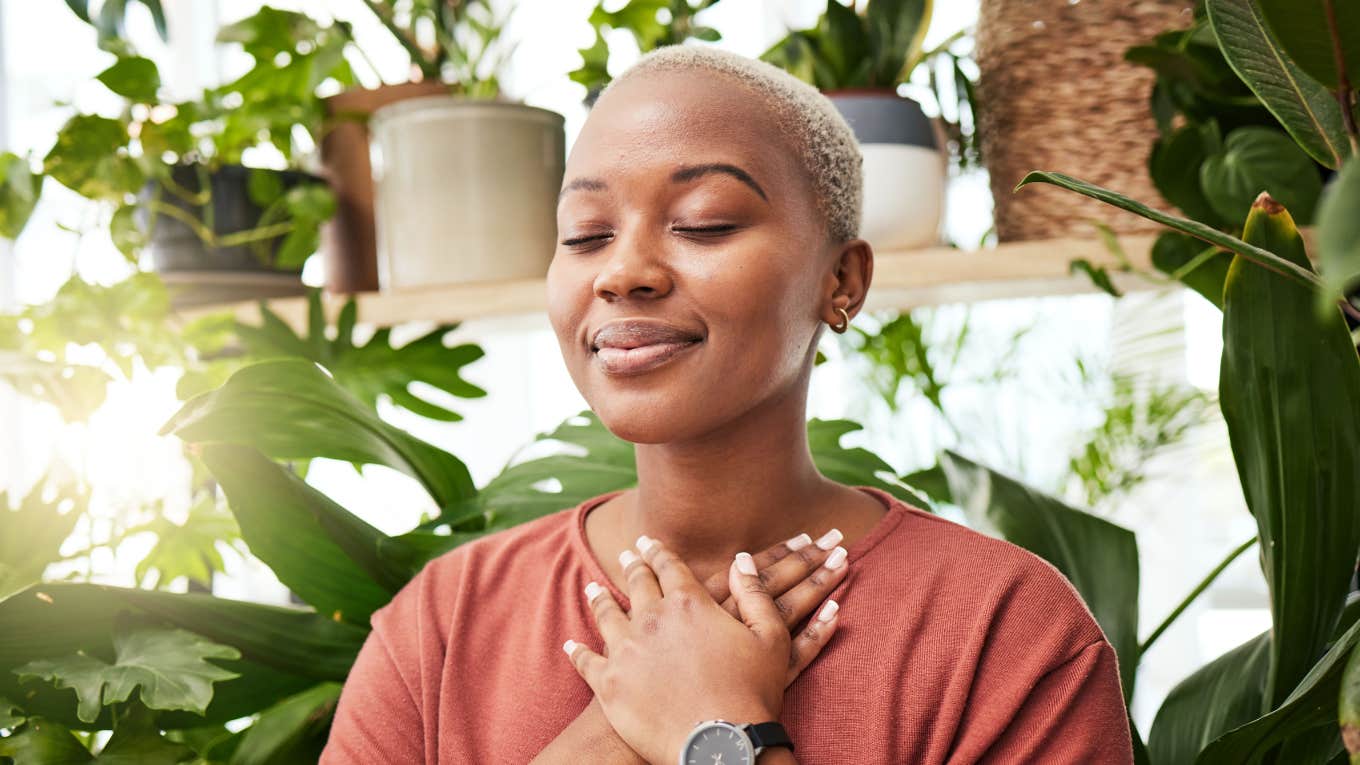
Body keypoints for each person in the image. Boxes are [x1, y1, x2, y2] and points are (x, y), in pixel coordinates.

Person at [320, 45, 1134, 764]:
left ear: (841, 281)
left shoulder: (1005, 633)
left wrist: (718, 732)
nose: (622, 271)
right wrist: (608, 739)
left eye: (703, 223)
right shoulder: (442, 623)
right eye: (585, 233)